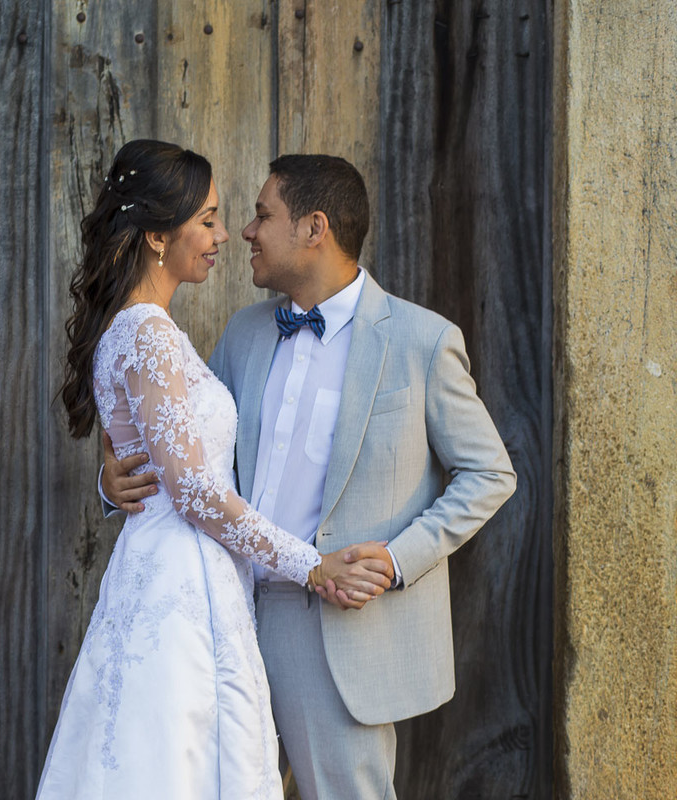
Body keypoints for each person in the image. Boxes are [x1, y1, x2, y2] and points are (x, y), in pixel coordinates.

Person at [101, 154, 517, 799]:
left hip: (334, 628)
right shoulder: (243, 335)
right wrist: (112, 482)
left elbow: (489, 472)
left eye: (263, 215)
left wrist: (397, 559)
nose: (245, 231)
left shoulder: (421, 340)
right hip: (223, 612)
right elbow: (185, 455)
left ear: (313, 228)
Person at [36, 141, 395, 800]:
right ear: (154, 236)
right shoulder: (146, 334)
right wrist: (310, 564)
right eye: (206, 219)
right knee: (178, 763)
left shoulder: (154, 333)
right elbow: (197, 493)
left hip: (193, 575)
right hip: (181, 582)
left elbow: (160, 460)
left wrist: (110, 484)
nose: (224, 235)